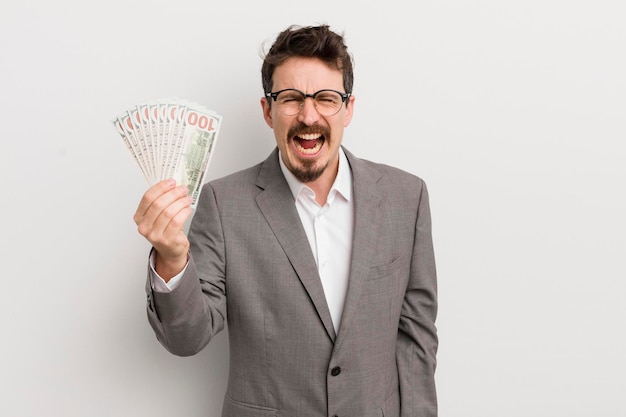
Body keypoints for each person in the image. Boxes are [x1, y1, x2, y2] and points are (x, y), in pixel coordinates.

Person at [134, 24, 438, 417]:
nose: (308, 116)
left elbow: (416, 340)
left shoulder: (405, 197)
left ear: (348, 108)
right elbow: (186, 338)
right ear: (268, 110)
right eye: (291, 98)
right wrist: (172, 259)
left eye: (326, 98)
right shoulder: (223, 204)